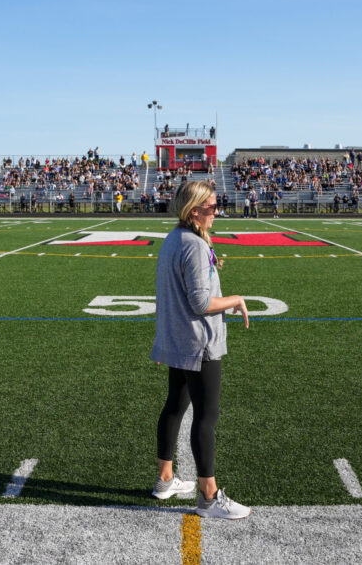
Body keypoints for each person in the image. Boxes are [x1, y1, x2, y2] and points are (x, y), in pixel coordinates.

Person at [150, 181, 251, 520]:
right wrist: (236, 300)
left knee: (175, 407)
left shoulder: (174, 239)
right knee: (206, 418)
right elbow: (200, 303)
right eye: (211, 206)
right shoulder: (192, 245)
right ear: (194, 211)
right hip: (197, 342)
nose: (216, 211)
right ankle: (208, 496)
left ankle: (165, 479)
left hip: (178, 339)